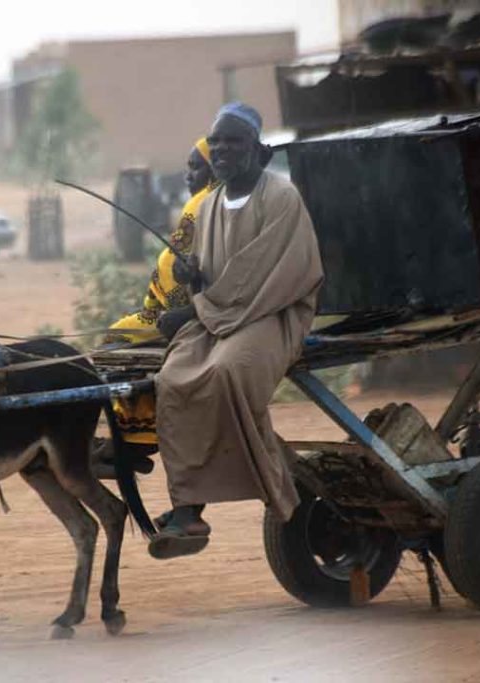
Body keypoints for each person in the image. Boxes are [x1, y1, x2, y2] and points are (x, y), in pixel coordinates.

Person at [149, 102, 324, 559]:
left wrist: (192, 312)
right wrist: (194, 281)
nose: (223, 149)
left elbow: (262, 276)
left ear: (258, 151)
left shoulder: (281, 198)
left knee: (226, 372)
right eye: (217, 142)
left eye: (234, 141)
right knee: (172, 379)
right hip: (217, 315)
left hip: (270, 314)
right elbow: (216, 276)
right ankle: (187, 507)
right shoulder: (208, 206)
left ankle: (275, 486)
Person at [94, 138, 218, 472]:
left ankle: (139, 436)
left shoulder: (200, 204)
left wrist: (175, 310)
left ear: (212, 168)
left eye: (196, 166)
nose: (188, 173)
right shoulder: (217, 200)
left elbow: (184, 260)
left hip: (183, 313)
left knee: (115, 341)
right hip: (186, 307)